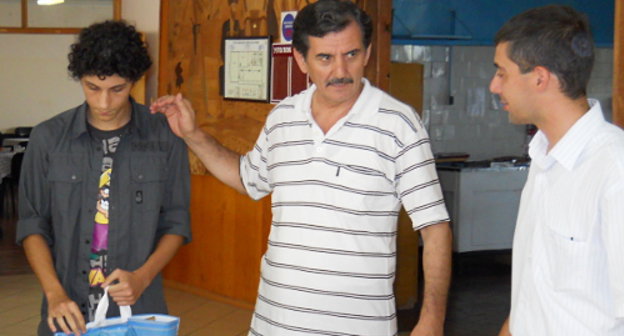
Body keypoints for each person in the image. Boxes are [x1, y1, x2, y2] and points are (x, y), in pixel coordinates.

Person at [152, 0, 452, 335]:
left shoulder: (399, 125)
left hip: (358, 327)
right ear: (301, 59)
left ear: (367, 53)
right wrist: (192, 135)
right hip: (275, 323)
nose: (340, 71)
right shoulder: (283, 117)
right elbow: (247, 178)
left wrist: (431, 320)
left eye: (351, 54)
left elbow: (434, 228)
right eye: (325, 57)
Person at [16, 20, 191, 336]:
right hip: (66, 308)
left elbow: (176, 222)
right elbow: (32, 224)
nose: (104, 103)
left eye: (117, 89)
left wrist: (142, 277)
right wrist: (54, 293)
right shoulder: (48, 138)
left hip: (138, 310)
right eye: (92, 87)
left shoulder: (165, 137)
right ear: (80, 79)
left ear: (135, 81)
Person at [490, 5, 624, 336]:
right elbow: (537, 290)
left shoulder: (614, 169)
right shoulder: (544, 158)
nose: (494, 86)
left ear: (539, 77)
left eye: (502, 72)